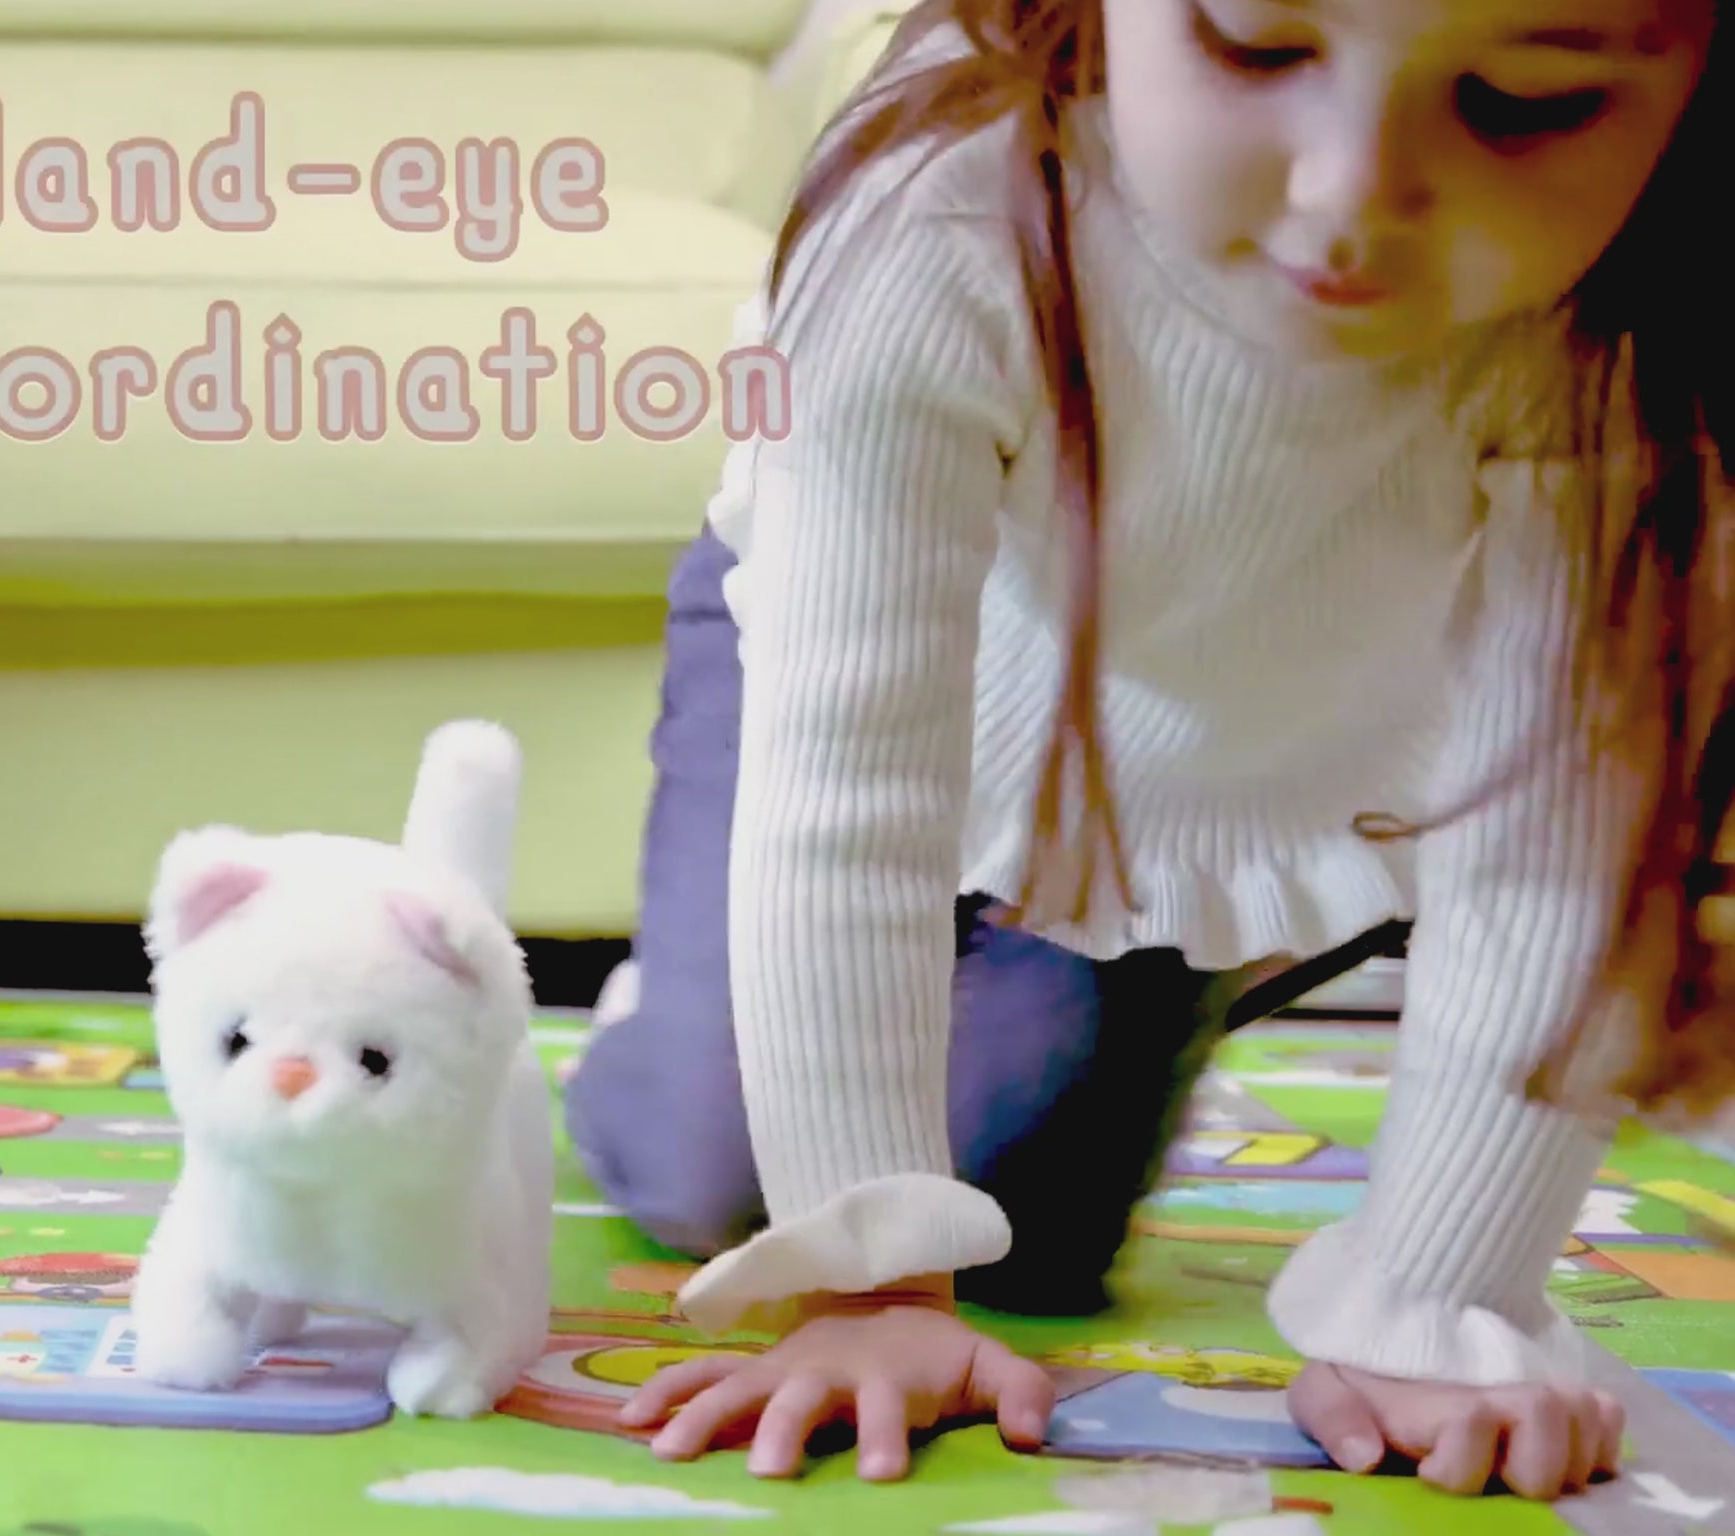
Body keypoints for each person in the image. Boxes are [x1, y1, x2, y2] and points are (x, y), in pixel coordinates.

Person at [563, 0, 1735, 1503]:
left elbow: (1556, 848)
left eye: (1522, 102)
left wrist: (1440, 1305)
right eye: (1254, 45)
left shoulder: (1628, 326)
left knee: (1030, 1230)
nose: (1352, 197)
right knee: (712, 1174)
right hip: (854, 657)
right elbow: (847, 782)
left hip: (1212, 763)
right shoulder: (935, 208)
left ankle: (1113, 980)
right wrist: (868, 1289)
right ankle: (664, 1014)